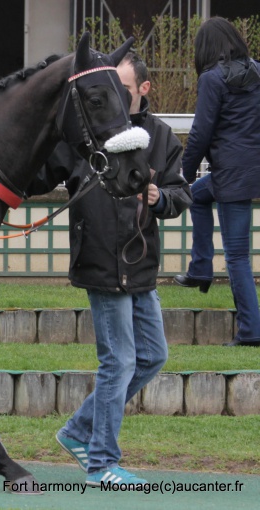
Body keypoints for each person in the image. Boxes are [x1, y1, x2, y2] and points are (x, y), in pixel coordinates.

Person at [27, 51, 192, 487]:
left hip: (140, 266)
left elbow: (180, 193)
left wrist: (161, 199)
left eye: (121, 89)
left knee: (152, 357)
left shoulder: (159, 136)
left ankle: (79, 431)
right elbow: (40, 175)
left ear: (143, 89)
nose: (113, 97)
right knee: (117, 362)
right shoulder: (85, 132)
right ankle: (101, 462)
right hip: (100, 260)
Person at [173, 17, 260, 347]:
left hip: (231, 175)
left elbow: (200, 132)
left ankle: (251, 331)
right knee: (197, 196)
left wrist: (182, 172)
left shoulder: (212, 79)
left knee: (237, 255)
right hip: (250, 170)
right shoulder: (258, 72)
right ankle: (201, 267)